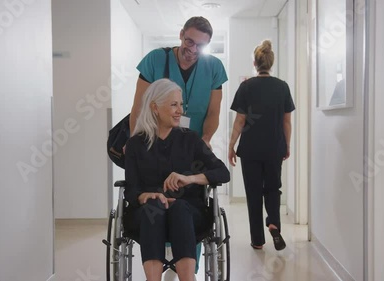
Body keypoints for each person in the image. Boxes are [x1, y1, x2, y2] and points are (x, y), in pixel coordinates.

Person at [124, 79, 230, 281]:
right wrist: (146, 195)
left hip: (189, 212)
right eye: (174, 104)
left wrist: (189, 178)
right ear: (155, 107)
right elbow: (131, 190)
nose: (179, 110)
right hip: (147, 215)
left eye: (181, 105)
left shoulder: (190, 139)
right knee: (153, 206)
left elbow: (222, 172)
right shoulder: (136, 144)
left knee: (179, 208)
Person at [228, 40, 295, 251]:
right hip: (274, 147)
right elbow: (287, 122)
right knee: (273, 188)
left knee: (253, 192)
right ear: (270, 63)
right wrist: (287, 145)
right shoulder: (282, 87)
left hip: (250, 149)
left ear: (255, 64)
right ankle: (274, 222)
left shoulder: (246, 87)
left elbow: (239, 121)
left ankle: (257, 240)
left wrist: (231, 146)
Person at [128, 16, 228, 150]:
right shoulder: (155, 59)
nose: (193, 50)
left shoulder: (214, 67)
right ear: (181, 35)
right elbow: (139, 106)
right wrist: (134, 141)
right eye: (189, 41)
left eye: (200, 46)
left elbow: (213, 112)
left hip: (192, 145)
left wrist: (206, 139)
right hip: (154, 143)